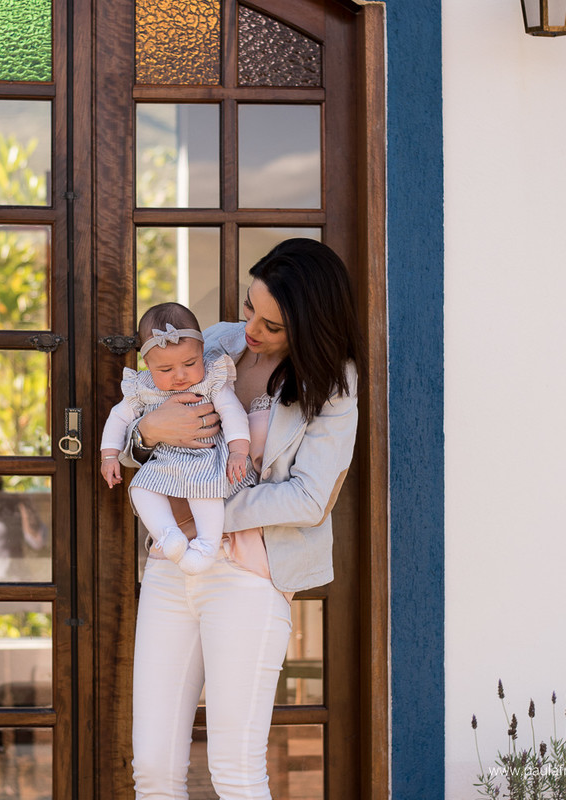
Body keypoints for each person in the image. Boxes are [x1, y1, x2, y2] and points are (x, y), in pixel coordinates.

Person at [122, 239, 363, 800]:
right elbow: (142, 435)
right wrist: (149, 433)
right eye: (250, 307)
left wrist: (207, 511)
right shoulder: (214, 343)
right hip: (172, 566)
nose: (251, 328)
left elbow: (310, 498)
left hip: (250, 575)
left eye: (271, 325)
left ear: (309, 327)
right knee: (153, 769)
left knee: (234, 772)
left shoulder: (334, 383)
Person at [100, 302, 253, 575]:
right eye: (165, 369)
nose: (180, 375)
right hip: (164, 462)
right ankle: (168, 534)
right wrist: (109, 455)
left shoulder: (211, 380)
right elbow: (118, 417)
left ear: (201, 351)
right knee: (140, 489)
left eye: (190, 363)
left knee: (204, 494)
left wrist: (238, 451)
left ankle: (206, 546)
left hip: (204, 459)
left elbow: (233, 412)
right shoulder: (142, 387)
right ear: (147, 364)